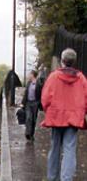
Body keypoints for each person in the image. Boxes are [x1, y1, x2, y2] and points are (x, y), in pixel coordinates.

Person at [41, 48, 87, 181]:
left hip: (56, 117)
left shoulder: (54, 77)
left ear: (62, 61)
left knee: (54, 147)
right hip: (73, 119)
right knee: (70, 149)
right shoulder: (81, 78)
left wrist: (48, 111)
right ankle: (66, 178)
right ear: (74, 62)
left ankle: (52, 177)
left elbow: (45, 98)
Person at [22, 70, 42, 141]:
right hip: (28, 103)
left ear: (33, 75)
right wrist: (23, 103)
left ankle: (32, 134)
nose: (28, 75)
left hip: (35, 103)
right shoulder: (28, 83)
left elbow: (40, 94)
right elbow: (25, 93)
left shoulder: (38, 83)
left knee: (33, 119)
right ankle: (27, 133)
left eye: (29, 74)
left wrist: (40, 103)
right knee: (28, 118)